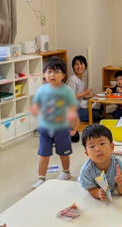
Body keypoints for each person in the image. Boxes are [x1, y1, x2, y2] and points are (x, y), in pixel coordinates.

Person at [30, 57, 78, 189]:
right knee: (43, 154)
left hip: (62, 128)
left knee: (64, 153)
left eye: (56, 72)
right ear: (44, 74)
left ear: (63, 75)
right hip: (45, 129)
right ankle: (41, 177)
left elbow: (72, 107)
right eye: (49, 71)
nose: (52, 75)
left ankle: (66, 172)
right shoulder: (42, 90)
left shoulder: (67, 90)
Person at [66, 55, 100, 123]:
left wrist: (93, 95)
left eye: (81, 64)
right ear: (73, 67)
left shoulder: (82, 79)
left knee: (99, 108)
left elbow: (80, 95)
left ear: (85, 66)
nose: (79, 66)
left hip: (79, 106)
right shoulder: (72, 79)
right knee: (96, 114)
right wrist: (85, 93)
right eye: (76, 64)